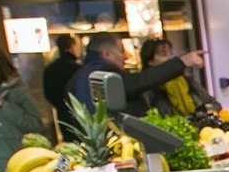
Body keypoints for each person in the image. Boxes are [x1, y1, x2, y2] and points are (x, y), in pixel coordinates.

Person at [66, 34, 201, 126]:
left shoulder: (75, 78)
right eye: (121, 51)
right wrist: (182, 62)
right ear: (106, 54)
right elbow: (139, 82)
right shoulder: (106, 75)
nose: (124, 57)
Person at [137, 39, 206, 118]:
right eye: (163, 54)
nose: (170, 58)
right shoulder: (148, 89)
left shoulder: (185, 80)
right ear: (150, 61)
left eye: (171, 53)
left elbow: (210, 102)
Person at [41, 35, 79, 137]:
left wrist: (60, 105)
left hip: (62, 114)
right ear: (72, 46)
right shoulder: (77, 69)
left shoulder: (49, 69)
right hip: (80, 114)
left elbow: (47, 94)